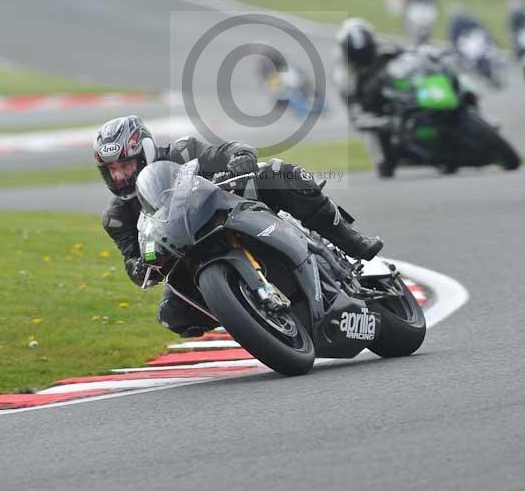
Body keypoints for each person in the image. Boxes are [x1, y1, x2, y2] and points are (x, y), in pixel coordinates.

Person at [94, 116, 383, 337]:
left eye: (126, 166)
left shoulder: (181, 153)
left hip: (230, 212)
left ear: (144, 152)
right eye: (113, 171)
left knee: (279, 173)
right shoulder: (117, 216)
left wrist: (240, 159)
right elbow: (132, 260)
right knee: (173, 315)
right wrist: (141, 266)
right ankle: (248, 314)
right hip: (188, 254)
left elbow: (226, 151)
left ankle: (349, 239)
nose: (120, 177)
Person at [334, 18, 403, 178]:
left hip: (399, 94)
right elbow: (355, 115)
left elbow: (413, 61)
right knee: (384, 165)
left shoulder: (388, 48)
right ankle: (381, 159)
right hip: (374, 107)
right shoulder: (344, 74)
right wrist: (376, 121)